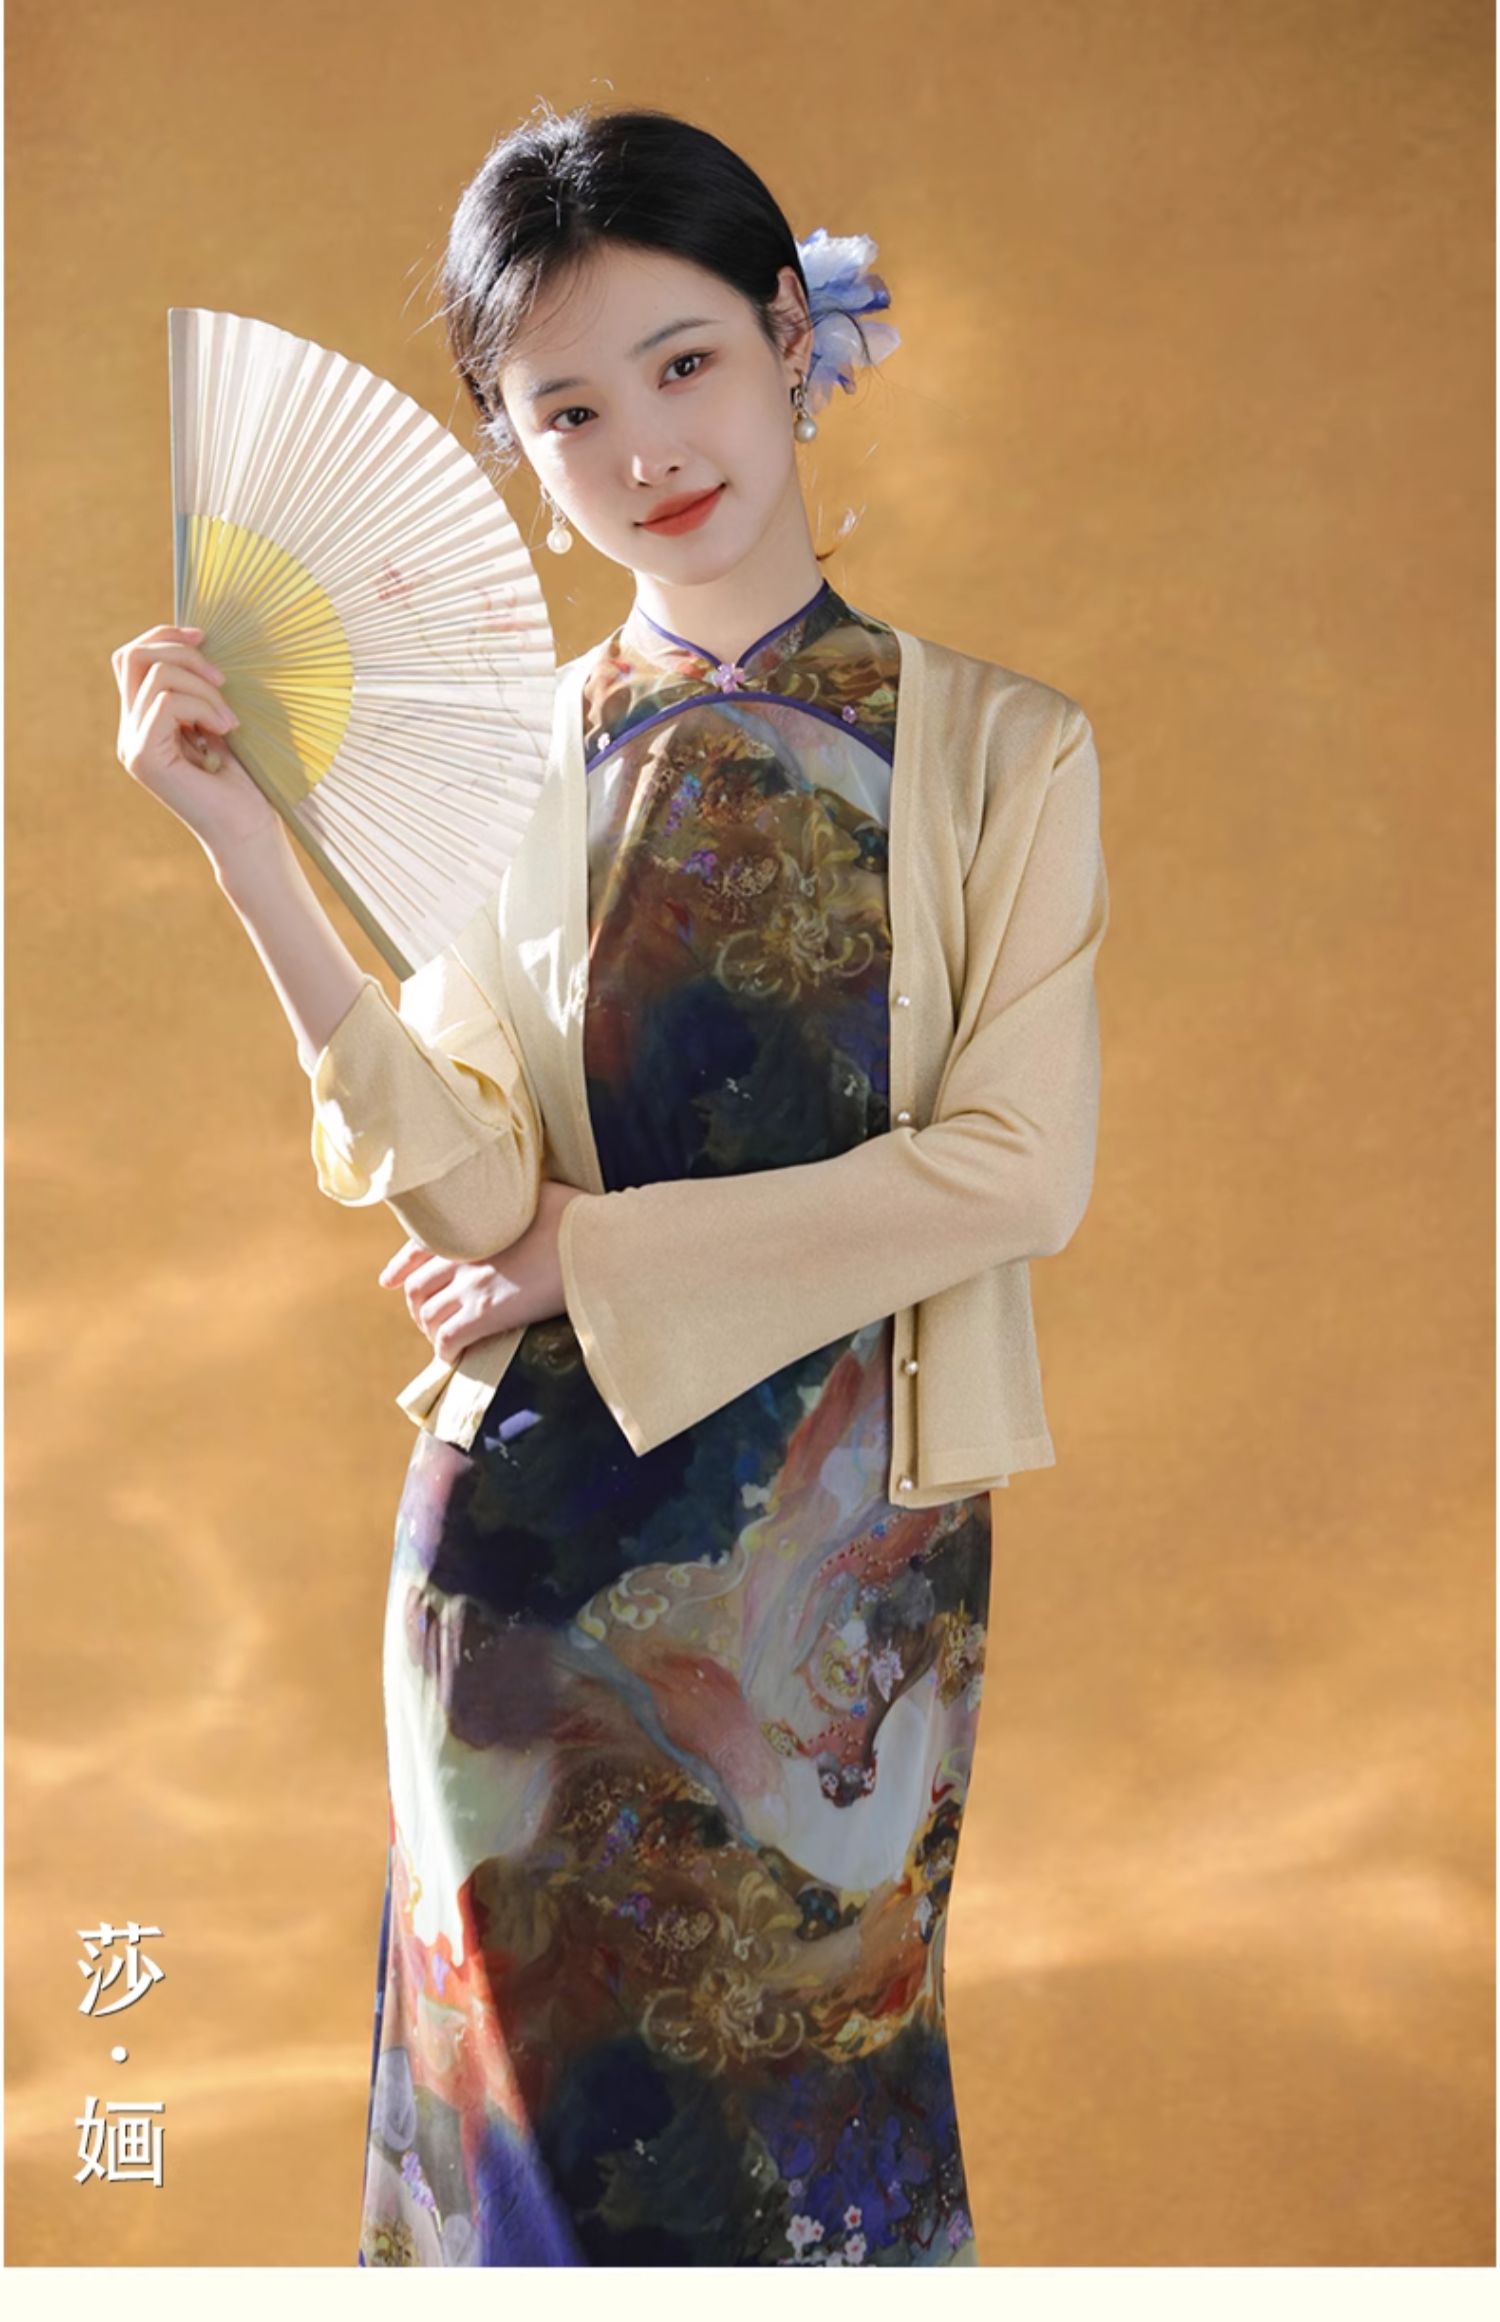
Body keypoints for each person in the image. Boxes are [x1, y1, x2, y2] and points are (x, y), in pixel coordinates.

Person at [110, 102, 1107, 2266]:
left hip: (849, 1582)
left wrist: (595, 1247)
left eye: (683, 362)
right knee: (532, 2195)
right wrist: (255, 862)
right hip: (528, 1580)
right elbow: (476, 1206)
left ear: (787, 338)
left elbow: (1016, 1174)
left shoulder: (1003, 753)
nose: (645, 445)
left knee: (816, 2166)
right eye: (566, 408)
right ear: (513, 447)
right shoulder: (508, 776)